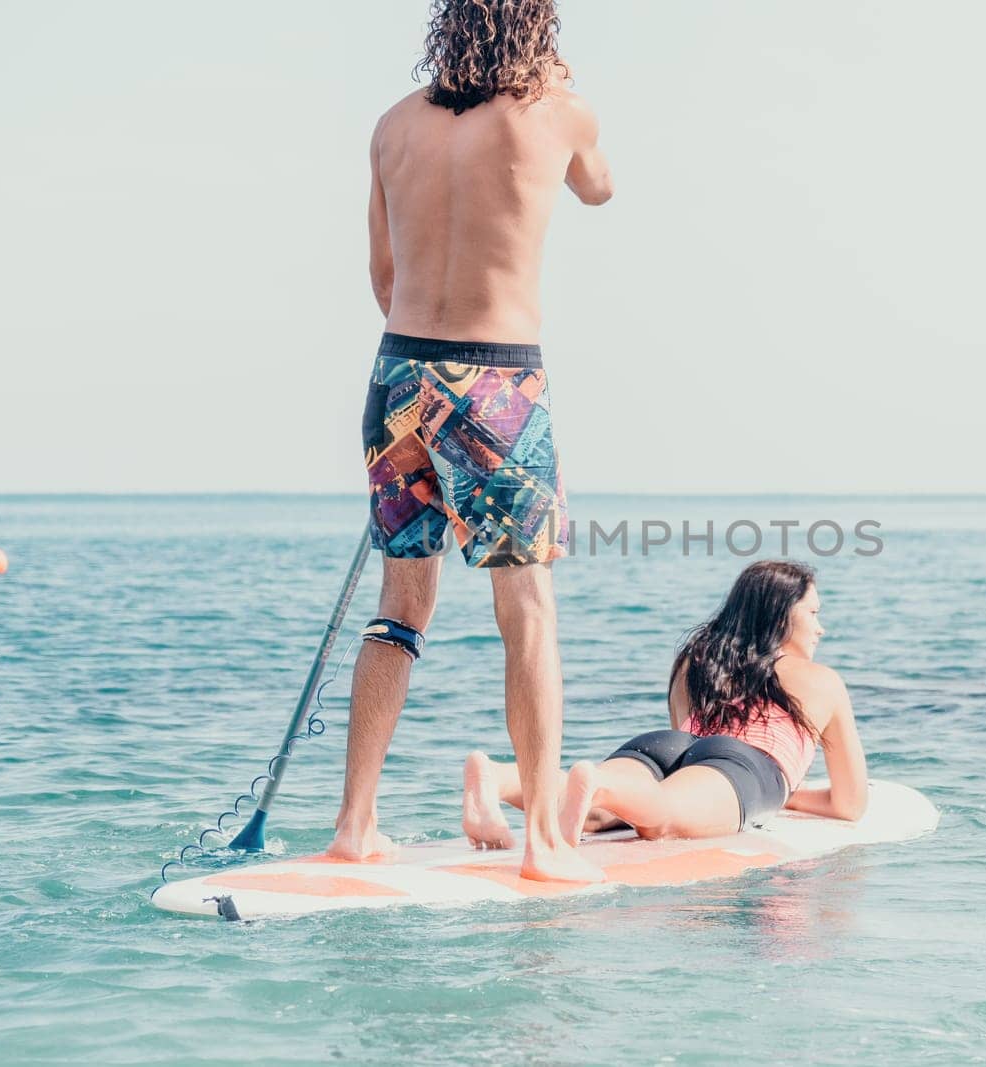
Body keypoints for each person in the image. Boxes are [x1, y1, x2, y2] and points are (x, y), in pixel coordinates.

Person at [328, 0, 613, 884]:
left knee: (401, 604)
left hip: (399, 377)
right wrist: (561, 92)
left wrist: (424, 382)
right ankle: (545, 845)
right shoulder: (557, 112)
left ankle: (354, 825)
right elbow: (599, 186)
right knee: (524, 612)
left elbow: (383, 276)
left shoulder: (391, 129)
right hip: (498, 381)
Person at [460, 560, 869, 848]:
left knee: (598, 811)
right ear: (781, 615)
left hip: (664, 746)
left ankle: (499, 778)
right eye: (813, 612)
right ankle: (598, 783)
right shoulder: (823, 682)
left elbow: (686, 743)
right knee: (663, 817)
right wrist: (787, 793)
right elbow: (849, 804)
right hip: (745, 767)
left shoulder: (697, 659)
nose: (821, 626)